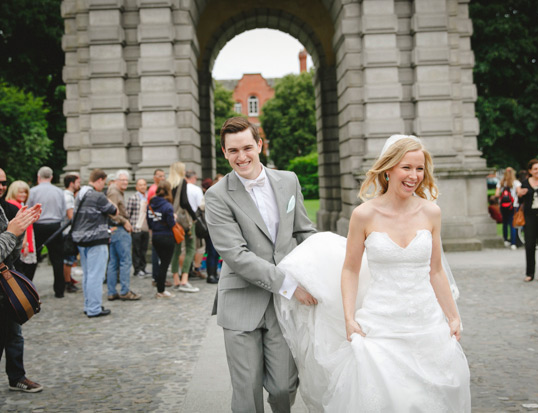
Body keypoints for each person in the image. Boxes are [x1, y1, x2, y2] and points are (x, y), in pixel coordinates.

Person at [273, 135, 470, 412]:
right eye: (406, 167)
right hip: (381, 323)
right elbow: (350, 270)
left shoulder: (431, 213)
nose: (414, 176)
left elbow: (435, 270)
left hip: (426, 324)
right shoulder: (364, 215)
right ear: (388, 169)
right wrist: (350, 318)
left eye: (419, 168)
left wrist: (452, 315)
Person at [205, 116, 317, 412]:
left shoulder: (289, 180)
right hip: (242, 301)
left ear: (259, 145)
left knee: (284, 387)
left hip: (283, 308)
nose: (241, 157)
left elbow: (303, 230)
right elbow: (236, 255)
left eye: (246, 148)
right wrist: (289, 286)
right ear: (224, 152)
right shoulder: (216, 196)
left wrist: (328, 260)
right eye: (232, 151)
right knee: (247, 392)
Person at [1, 199, 43, 393]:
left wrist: (19, 232)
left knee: (15, 334)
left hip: (5, 287)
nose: (1, 186)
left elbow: (11, 254)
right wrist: (11, 232)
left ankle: (17, 377)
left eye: (3, 182)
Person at [72, 169, 118, 317]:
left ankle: (88, 305)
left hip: (81, 239)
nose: (103, 185)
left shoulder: (80, 194)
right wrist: (107, 197)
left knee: (87, 275)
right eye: (103, 182)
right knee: (96, 276)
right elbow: (114, 211)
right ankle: (94, 308)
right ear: (99, 180)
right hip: (96, 239)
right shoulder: (98, 196)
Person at [27, 166, 66, 298]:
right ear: (51, 177)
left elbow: (29, 209)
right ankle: (59, 290)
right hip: (55, 226)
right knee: (57, 259)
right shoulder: (59, 191)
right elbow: (63, 210)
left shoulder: (33, 191)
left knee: (33, 258)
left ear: (38, 177)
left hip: (38, 226)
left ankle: (27, 288)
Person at [106, 170, 141, 301]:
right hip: (119, 229)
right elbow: (112, 212)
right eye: (123, 180)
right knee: (125, 261)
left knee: (113, 262)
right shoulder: (114, 192)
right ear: (116, 181)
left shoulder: (114, 191)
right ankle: (125, 291)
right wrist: (125, 221)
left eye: (127, 180)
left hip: (115, 229)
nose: (125, 182)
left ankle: (111, 291)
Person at [168, 162, 199, 293]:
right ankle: (184, 280)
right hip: (184, 221)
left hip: (172, 221)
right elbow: (185, 202)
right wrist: (194, 216)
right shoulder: (182, 182)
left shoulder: (168, 183)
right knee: (191, 247)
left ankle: (175, 280)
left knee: (176, 250)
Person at [146, 181, 176, 298]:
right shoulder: (167, 206)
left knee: (159, 263)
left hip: (155, 236)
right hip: (166, 236)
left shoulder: (150, 205)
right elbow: (171, 223)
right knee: (164, 263)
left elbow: (149, 223)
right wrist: (174, 218)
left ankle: (159, 287)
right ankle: (161, 290)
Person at [5, 181, 38, 280]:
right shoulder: (14, 206)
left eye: (25, 192)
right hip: (21, 244)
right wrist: (25, 244)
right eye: (20, 192)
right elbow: (20, 227)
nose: (24, 195)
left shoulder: (16, 204)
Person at [185, 170, 207, 280]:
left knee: (184, 248)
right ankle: (196, 268)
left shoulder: (180, 189)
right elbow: (201, 205)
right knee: (199, 247)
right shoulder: (196, 189)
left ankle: (184, 271)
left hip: (182, 221)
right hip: (194, 221)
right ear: (193, 178)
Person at [127, 178, 149, 277]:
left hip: (146, 227)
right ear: (136, 187)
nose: (142, 187)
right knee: (136, 249)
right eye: (140, 185)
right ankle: (137, 269)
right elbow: (128, 213)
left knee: (144, 249)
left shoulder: (148, 198)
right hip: (136, 227)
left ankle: (143, 268)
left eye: (144, 185)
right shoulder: (133, 198)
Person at [62, 173, 81, 292]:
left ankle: (68, 279)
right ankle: (67, 282)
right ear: (71, 183)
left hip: (67, 232)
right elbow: (71, 216)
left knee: (69, 259)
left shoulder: (67, 195)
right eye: (78, 182)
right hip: (67, 232)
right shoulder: (68, 196)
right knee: (68, 260)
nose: (79, 185)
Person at [495, 167, 521, 250]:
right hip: (513, 205)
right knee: (512, 223)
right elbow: (519, 193)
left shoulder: (501, 182)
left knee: (505, 223)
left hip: (503, 206)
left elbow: (496, 194)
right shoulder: (516, 182)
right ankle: (513, 243)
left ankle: (505, 240)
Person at [147, 169, 166, 284]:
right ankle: (156, 277)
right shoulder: (154, 190)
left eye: (163, 176)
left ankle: (158, 276)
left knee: (158, 252)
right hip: (157, 225)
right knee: (156, 253)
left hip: (157, 224)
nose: (162, 178)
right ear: (154, 177)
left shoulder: (157, 189)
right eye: (160, 176)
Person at [201, 178, 219, 284]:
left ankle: (214, 273)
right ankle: (211, 275)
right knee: (212, 252)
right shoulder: (209, 196)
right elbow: (201, 206)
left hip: (218, 228)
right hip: (210, 228)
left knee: (216, 253)